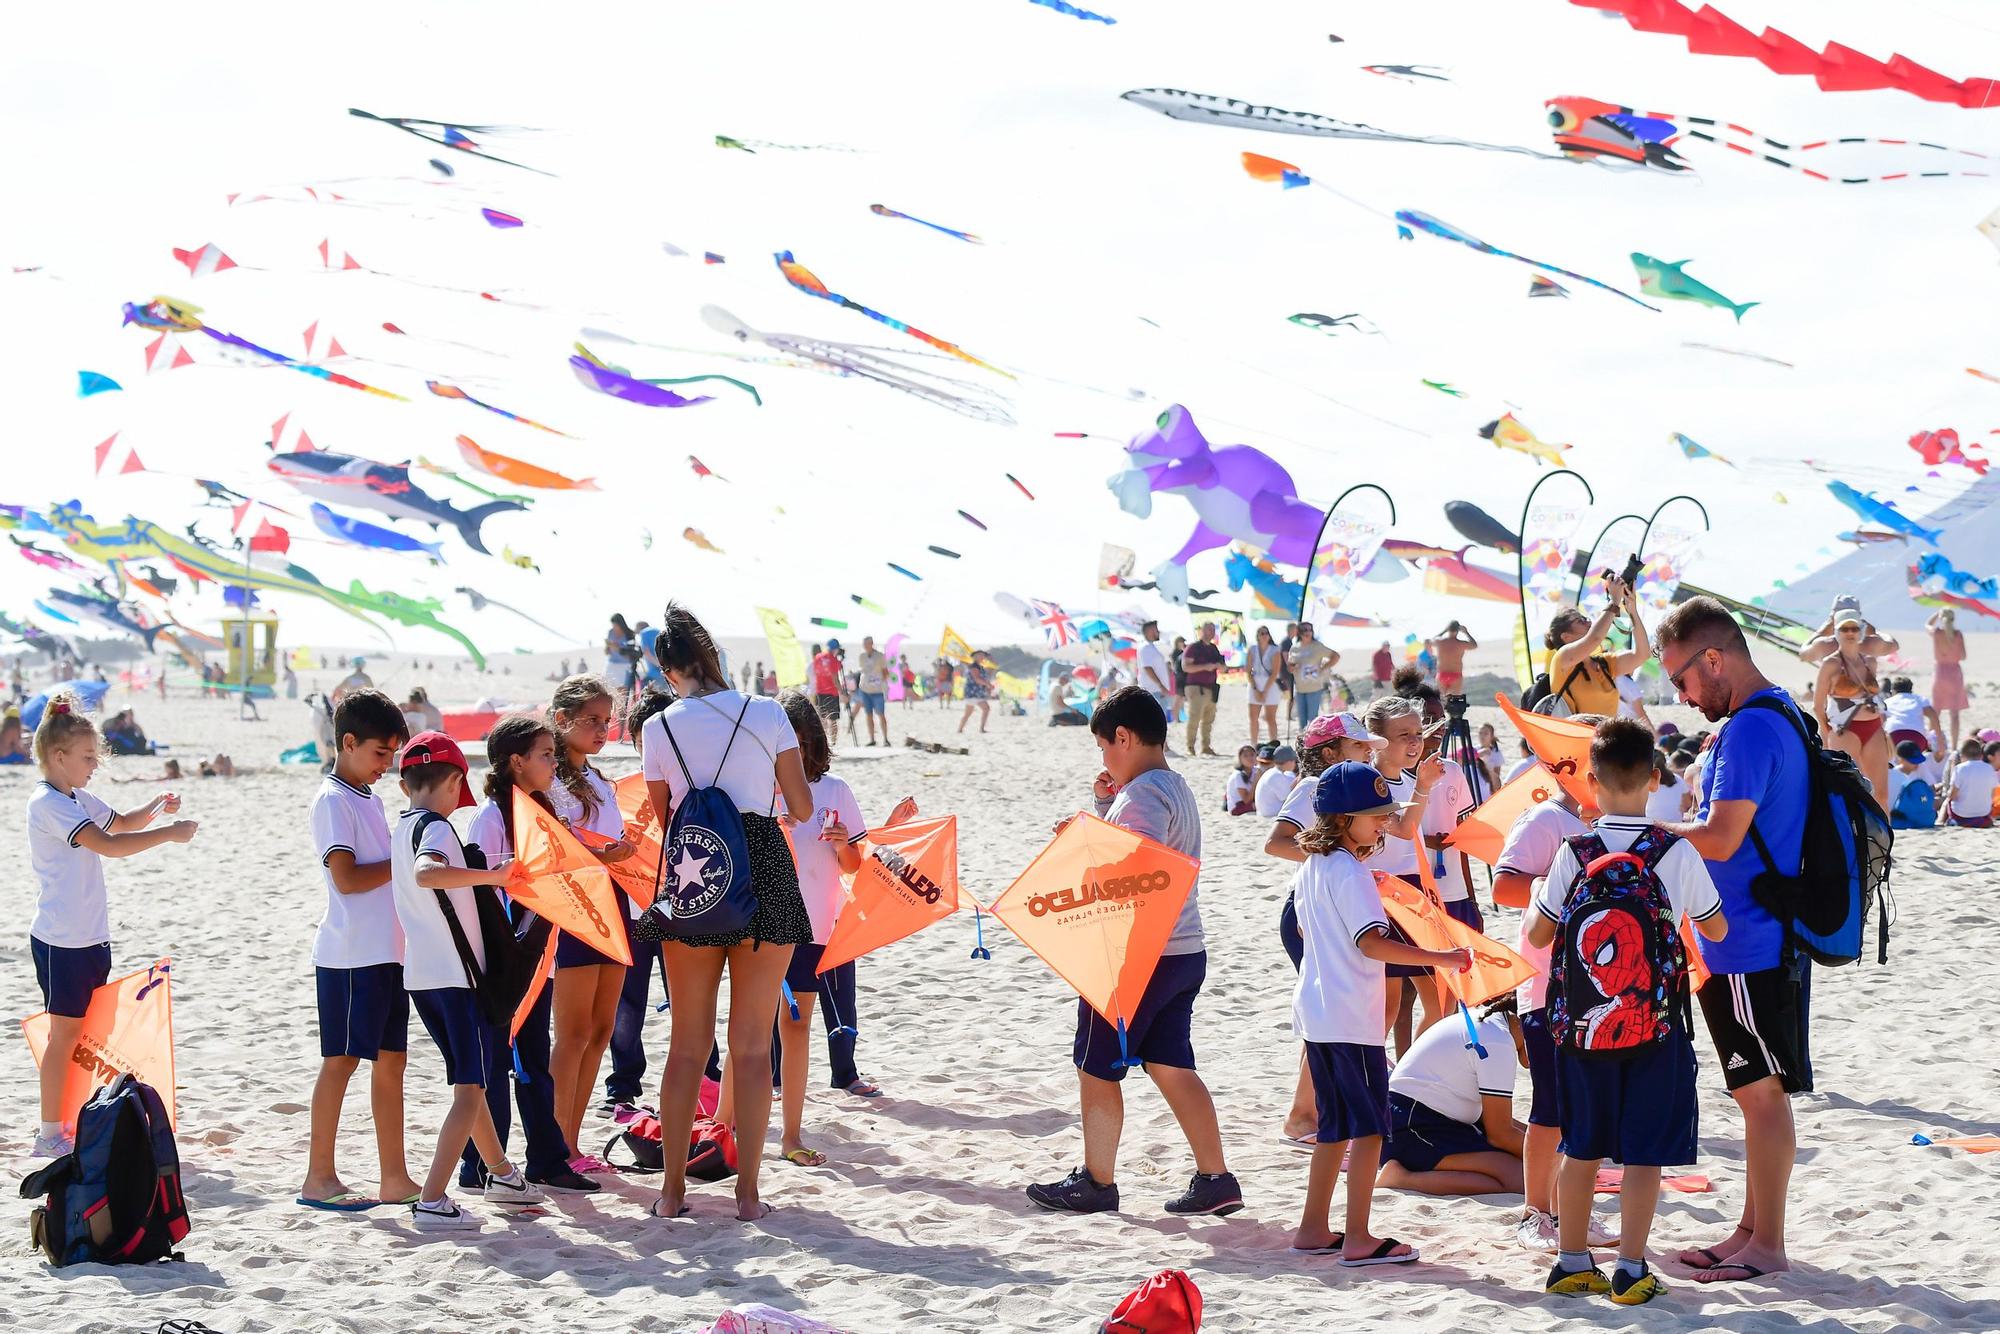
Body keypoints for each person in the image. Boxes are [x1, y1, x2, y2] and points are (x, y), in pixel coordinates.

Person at [1529, 718, 1728, 1304]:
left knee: (1582, 1145)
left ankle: (1571, 1262)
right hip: (1655, 1025)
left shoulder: (1574, 851)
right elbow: (1714, 925)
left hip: (1582, 1027)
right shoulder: (1676, 852)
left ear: (1592, 781)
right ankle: (1631, 1268)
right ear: (1655, 780)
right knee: (1646, 1151)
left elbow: (1540, 936)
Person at [1026, 687, 1242, 1217]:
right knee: (1170, 1064)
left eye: (1104, 747)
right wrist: (1104, 808)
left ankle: (1097, 1181)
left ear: (1124, 737)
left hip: (1139, 955)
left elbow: (1136, 870)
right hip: (1183, 949)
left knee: (1096, 1066)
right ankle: (1216, 1177)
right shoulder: (1175, 786)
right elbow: (1152, 856)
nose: (1104, 758)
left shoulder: (1143, 794)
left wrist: (1079, 841)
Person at [1655, 596, 1815, 1283]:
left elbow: (1720, 838)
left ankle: (1769, 1247)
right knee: (1754, 1089)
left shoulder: (1751, 729)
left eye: (1681, 681)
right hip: (1750, 937)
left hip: (1751, 940)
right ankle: (1750, 1232)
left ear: (1713, 659)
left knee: (1760, 1093)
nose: (1682, 697)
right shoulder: (1775, 713)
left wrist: (1651, 835)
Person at [638, 604, 814, 1222]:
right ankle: (747, 1196)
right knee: (750, 1046)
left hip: (697, 871)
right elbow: (801, 804)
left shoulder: (657, 727)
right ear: (714, 657)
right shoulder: (768, 713)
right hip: (762, 863)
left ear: (667, 668)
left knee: (686, 1044)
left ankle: (673, 1192)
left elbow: (665, 819)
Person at [1287, 760, 1471, 1263]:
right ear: (1343, 818)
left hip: (1322, 1012)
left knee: (1335, 1129)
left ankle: (1312, 1229)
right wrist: (1440, 958)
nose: (1384, 823)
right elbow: (1372, 944)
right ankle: (1360, 1238)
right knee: (1368, 1131)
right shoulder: (1349, 870)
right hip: (1349, 1017)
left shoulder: (1314, 866)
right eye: (1375, 815)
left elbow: (1307, 933)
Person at [26, 693, 198, 1158]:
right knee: (64, 1037)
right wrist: (168, 835)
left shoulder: (75, 795)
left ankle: (67, 1121)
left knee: (81, 1036)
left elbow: (121, 823)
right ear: (58, 757)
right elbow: (108, 845)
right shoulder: (49, 803)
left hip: (88, 937)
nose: (94, 766)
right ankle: (48, 1133)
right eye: (87, 758)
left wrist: (157, 807)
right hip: (63, 940)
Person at [388, 732, 547, 1229]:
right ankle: (432, 1200)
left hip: (423, 975)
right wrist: (495, 878)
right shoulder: (436, 829)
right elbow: (429, 874)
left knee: (469, 1080)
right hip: (456, 979)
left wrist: (484, 871)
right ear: (456, 781)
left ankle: (499, 1173)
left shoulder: (403, 826)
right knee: (470, 1087)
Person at [461, 715, 600, 1194]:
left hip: (539, 955)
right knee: (494, 1063)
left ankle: (546, 1158)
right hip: (500, 960)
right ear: (515, 761)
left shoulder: (544, 811)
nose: (553, 762)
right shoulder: (491, 816)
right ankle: (480, 1164)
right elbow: (479, 890)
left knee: (534, 1059)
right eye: (545, 754)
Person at [301, 689, 420, 1211]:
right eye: (379, 753)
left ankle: (394, 1177)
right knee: (342, 1061)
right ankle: (318, 1177)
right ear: (347, 743)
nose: (387, 765)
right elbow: (346, 879)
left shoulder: (369, 798)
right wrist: (405, 862)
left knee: (392, 1060)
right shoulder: (331, 799)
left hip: (387, 952)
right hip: (350, 955)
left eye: (393, 755)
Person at [1490, 769, 1595, 1251]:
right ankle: (1536, 1212)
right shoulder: (1545, 819)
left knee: (1586, 1105)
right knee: (1551, 1102)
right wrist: (1566, 881)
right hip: (1546, 979)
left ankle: (1572, 1211)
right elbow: (1505, 888)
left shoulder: (1605, 822)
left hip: (1597, 982)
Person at [544, 677, 638, 1178]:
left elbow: (611, 840)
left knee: (602, 1028)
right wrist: (603, 854)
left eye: (608, 720)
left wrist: (620, 853)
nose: (603, 729)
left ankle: (572, 1141)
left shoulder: (601, 779)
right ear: (561, 719)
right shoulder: (549, 781)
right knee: (573, 1031)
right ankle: (555, 1141)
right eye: (592, 720)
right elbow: (551, 849)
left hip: (615, 903)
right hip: (577, 907)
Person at [603, 687, 680, 1120]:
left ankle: (706, 1073)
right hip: (632, 910)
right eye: (639, 740)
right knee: (628, 1001)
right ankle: (623, 1084)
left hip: (683, 908)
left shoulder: (692, 785)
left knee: (689, 998)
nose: (645, 747)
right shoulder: (623, 791)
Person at [1361, 696, 1449, 1055]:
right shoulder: (1368, 781)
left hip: (1413, 893)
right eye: (1403, 735)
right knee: (1388, 1007)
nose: (1415, 742)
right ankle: (1383, 1081)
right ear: (1377, 740)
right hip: (1381, 893)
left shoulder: (1407, 781)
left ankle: (1407, 1078)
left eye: (1417, 732)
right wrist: (1424, 786)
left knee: (1441, 1003)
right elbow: (1402, 828)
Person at [1378, 995, 1526, 1196]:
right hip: (1409, 1127)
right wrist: (1556, 1158)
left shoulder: (1490, 1023)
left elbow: (1497, 1121)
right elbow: (1500, 1134)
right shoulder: (1497, 1041)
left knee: (1526, 1169)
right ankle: (1402, 1177)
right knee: (1521, 1179)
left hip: (1431, 1120)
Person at [1812, 612, 1891, 805]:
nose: (1850, 633)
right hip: (1845, 730)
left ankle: (1884, 834)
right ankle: (1853, 835)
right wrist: (1827, 729)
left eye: (1854, 628)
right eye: (1844, 629)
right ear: (1837, 632)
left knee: (1881, 794)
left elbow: (1890, 645)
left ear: (1861, 631)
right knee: (1850, 793)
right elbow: (1818, 703)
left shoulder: (1869, 661)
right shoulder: (1831, 663)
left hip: (1873, 727)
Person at [1544, 578, 1649, 715]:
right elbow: (1595, 638)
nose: (1588, 622)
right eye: (1580, 621)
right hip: (1577, 736)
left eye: (1586, 618)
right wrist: (1614, 601)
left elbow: (1642, 654)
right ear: (1566, 637)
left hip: (1605, 735)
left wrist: (1632, 610)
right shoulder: (1562, 659)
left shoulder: (1604, 664)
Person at [1927, 608, 1969, 755]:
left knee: (1936, 711)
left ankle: (1932, 742)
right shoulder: (1958, 635)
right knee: (1955, 713)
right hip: (1954, 673)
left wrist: (1936, 614)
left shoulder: (1937, 632)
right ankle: (1955, 747)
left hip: (1940, 672)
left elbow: (1927, 624)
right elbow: (1963, 656)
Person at [1182, 622, 1225, 755]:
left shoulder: (1213, 648)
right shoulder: (1194, 647)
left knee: (1208, 720)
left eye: (1213, 630)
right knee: (1194, 718)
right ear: (1202, 631)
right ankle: (1190, 746)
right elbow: (1186, 667)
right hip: (1196, 687)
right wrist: (1205, 667)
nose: (1211, 632)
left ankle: (1206, 747)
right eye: (1208, 629)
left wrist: (1221, 667)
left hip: (1211, 688)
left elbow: (1223, 666)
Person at [1287, 623, 1339, 727]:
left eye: (1310, 630)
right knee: (1301, 720)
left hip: (1314, 688)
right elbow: (1289, 667)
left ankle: (1312, 742)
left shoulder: (1317, 646)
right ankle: (1303, 741)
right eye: (1305, 630)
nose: (1308, 632)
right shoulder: (1295, 648)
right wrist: (1292, 668)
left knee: (1313, 719)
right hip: (1300, 688)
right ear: (1300, 632)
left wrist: (1323, 667)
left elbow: (1336, 656)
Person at [1945, 738, 1997, 828]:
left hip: (1961, 814)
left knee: (1948, 800)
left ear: (1962, 756)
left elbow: (1952, 795)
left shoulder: (1959, 768)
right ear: (1981, 756)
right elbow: (1992, 794)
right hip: (1983, 812)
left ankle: (1950, 821)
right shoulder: (1989, 768)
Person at [1888, 740, 1938, 830]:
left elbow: (1931, 791)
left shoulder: (1921, 767)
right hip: (1900, 813)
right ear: (1901, 759)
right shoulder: (1893, 775)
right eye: (1912, 761)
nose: (1916, 764)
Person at [1246, 625, 1283, 745]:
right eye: (1261, 633)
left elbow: (1275, 672)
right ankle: (1254, 744)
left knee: (1270, 717)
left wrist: (1265, 691)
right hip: (1255, 682)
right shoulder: (1252, 649)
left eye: (1266, 633)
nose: (1264, 635)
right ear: (1257, 636)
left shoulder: (1275, 650)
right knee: (1253, 717)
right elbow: (1248, 670)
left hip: (1270, 684)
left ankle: (1273, 743)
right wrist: (1256, 689)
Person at [855, 636, 891, 747]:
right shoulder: (862, 656)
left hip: (877, 690)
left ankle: (885, 738)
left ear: (871, 644)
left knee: (881, 714)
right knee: (868, 715)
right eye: (864, 644)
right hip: (865, 689)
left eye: (867, 644)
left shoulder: (880, 656)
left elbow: (886, 672)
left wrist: (882, 683)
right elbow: (863, 671)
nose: (865, 646)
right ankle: (872, 739)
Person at [1136, 621, 1175, 723]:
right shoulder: (1145, 648)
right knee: (1155, 722)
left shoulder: (1151, 647)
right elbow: (1147, 668)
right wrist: (1161, 686)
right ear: (1150, 631)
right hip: (1153, 690)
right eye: (1156, 630)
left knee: (1158, 721)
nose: (1158, 632)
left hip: (1157, 690)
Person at [808, 641, 843, 740]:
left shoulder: (818, 657)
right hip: (831, 692)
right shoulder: (832, 659)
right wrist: (842, 692)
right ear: (835, 649)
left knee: (822, 719)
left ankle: (824, 741)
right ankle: (833, 742)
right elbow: (835, 678)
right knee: (833, 720)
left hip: (820, 692)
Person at [1431, 622, 1477, 695]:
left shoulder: (1440, 642)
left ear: (1448, 629)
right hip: (1456, 675)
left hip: (1442, 674)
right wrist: (1466, 633)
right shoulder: (1460, 644)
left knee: (1441, 701)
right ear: (1458, 630)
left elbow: (1432, 640)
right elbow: (1474, 645)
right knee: (1455, 702)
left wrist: (1444, 631)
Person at [1647, 749, 1691, 823]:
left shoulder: (1641, 782)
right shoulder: (1678, 779)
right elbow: (1687, 804)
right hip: (1675, 827)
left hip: (1650, 827)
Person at [604, 614, 640, 703]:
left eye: (616, 625)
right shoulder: (611, 632)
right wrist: (608, 647)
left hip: (624, 665)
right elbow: (606, 651)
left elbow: (631, 653)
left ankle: (623, 710)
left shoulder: (629, 634)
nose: (614, 628)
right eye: (613, 625)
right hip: (612, 664)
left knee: (623, 691)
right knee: (610, 689)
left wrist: (617, 648)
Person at [1256, 745, 1299, 817]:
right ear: (1288, 761)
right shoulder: (1276, 776)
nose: (1295, 763)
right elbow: (1289, 798)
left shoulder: (1273, 772)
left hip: (1266, 812)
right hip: (1271, 814)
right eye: (1294, 760)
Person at [958, 651, 995, 735]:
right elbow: (977, 679)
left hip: (976, 692)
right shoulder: (974, 666)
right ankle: (980, 729)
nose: (982, 657)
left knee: (970, 712)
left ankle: (961, 729)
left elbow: (988, 673)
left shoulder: (979, 666)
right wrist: (988, 684)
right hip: (973, 693)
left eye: (982, 656)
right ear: (974, 657)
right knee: (983, 709)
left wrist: (987, 685)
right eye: (979, 655)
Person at [1225, 744, 1258, 815]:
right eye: (1245, 756)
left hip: (1250, 803)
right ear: (1240, 759)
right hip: (1237, 807)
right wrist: (1256, 781)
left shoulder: (1255, 771)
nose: (1250, 758)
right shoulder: (1238, 775)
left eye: (1252, 755)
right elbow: (1246, 800)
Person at [1473, 723, 1505, 792]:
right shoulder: (1474, 750)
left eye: (1486, 734)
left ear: (1491, 736)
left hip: (1488, 788)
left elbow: (1497, 777)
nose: (1482, 736)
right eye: (1480, 733)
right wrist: (1478, 755)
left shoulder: (1496, 753)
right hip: (1474, 786)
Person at [1168, 635, 1188, 724]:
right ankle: (1175, 718)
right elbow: (1175, 666)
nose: (1183, 643)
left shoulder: (1180, 652)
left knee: (1180, 699)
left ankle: (1177, 717)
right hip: (1179, 678)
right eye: (1181, 642)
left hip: (1181, 677)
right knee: (1178, 698)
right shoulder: (1177, 653)